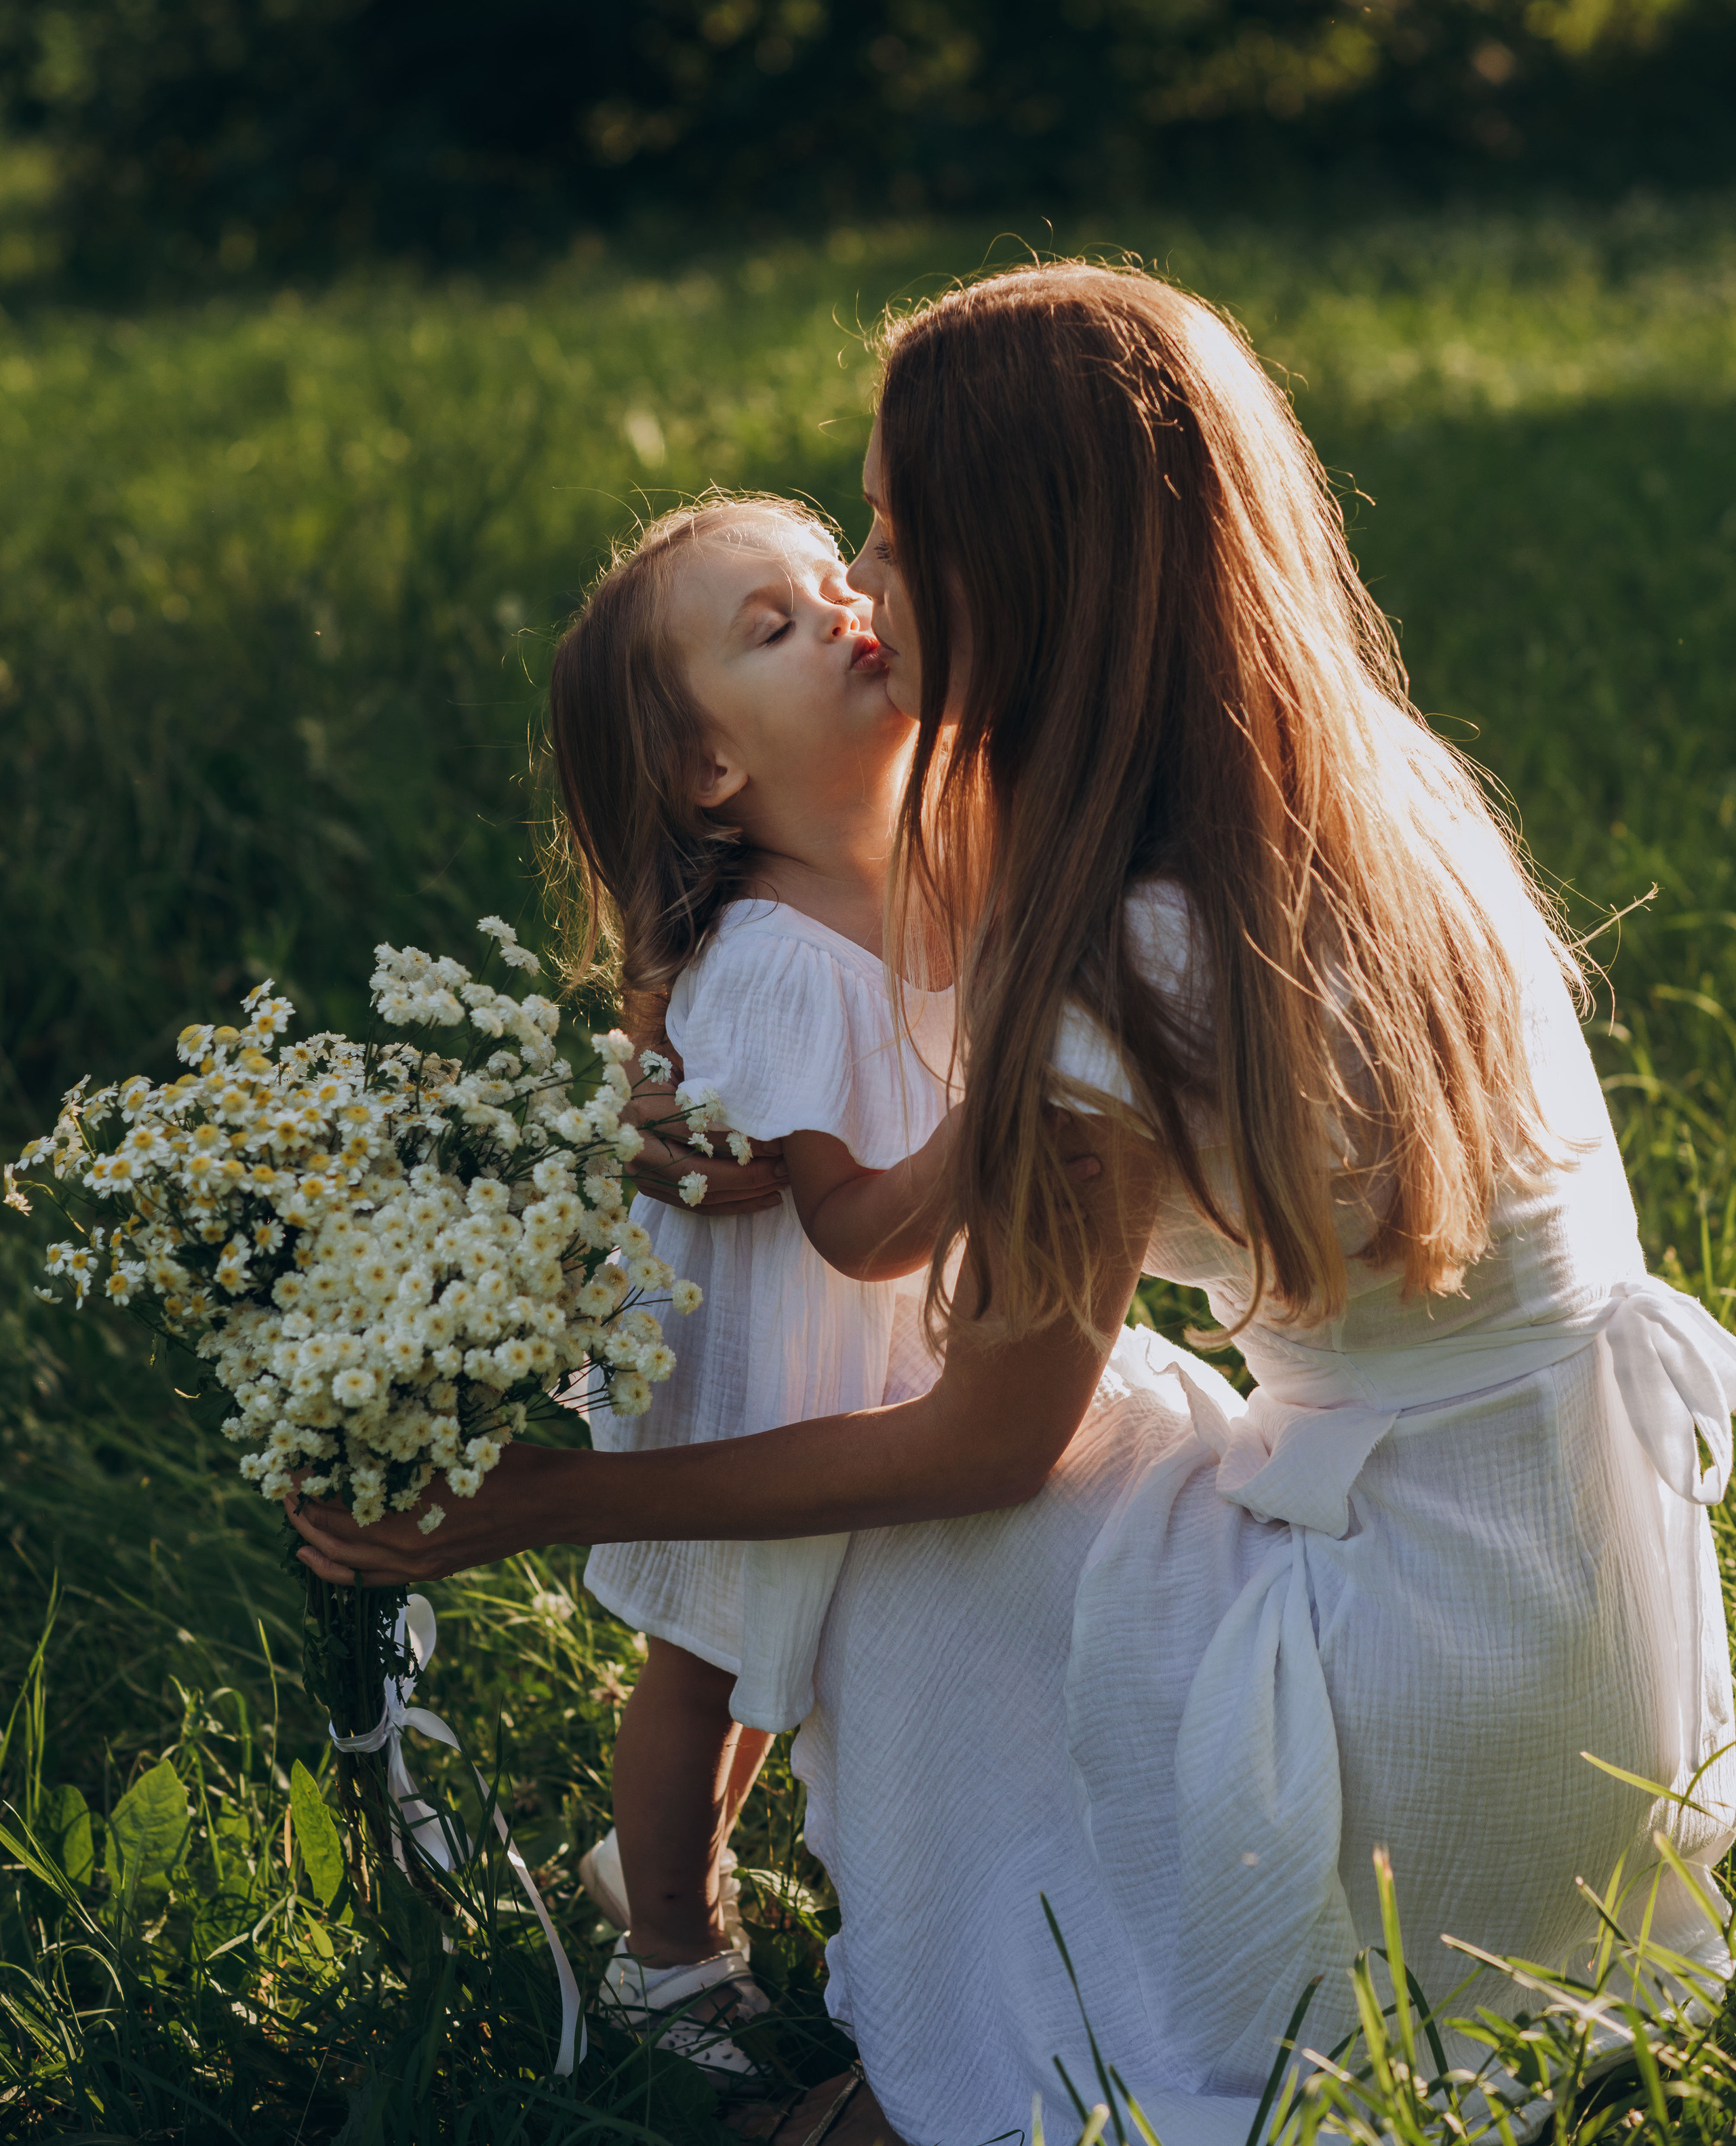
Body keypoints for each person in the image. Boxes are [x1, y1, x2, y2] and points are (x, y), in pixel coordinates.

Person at [292, 263, 1736, 2146]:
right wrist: (753, 1113)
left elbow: (976, 1447)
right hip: (1587, 1653)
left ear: (1024, 569)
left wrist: (561, 1498)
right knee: (1107, 1432)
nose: (863, 590)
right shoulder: (1355, 787)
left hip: (1425, 1720)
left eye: (890, 535)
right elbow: (917, 1154)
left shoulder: (1122, 954)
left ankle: (1017, 2040)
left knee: (937, 1512)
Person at [545, 494, 958, 2077]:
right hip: (763, 1362)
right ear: (711, 771)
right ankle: (663, 1947)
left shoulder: (927, 843)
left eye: (823, 585)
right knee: (711, 1660)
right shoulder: (782, 957)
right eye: (772, 628)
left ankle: (670, 1880)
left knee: (777, 1660)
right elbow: (852, 1230)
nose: (843, 610)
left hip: (854, 1357)